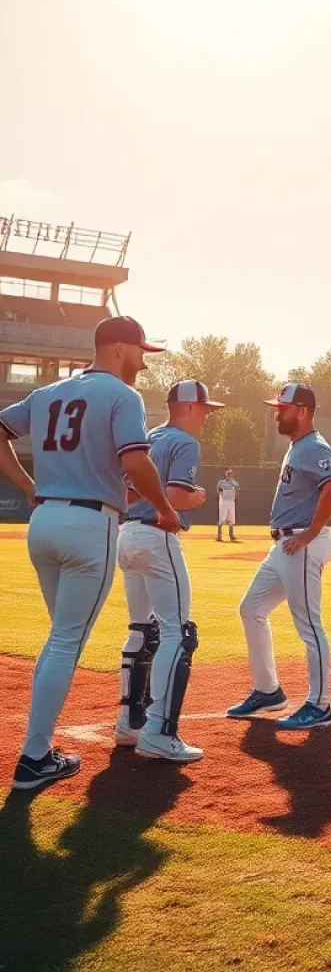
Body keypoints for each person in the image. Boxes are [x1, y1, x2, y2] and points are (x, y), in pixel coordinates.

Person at [0, 316, 180, 790]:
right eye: (140, 350)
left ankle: (38, 753)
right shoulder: (123, 396)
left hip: (44, 522)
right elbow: (136, 460)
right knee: (64, 642)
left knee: (60, 638)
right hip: (89, 524)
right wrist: (164, 509)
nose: (143, 359)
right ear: (118, 348)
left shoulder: (47, 394)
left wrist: (27, 486)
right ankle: (34, 756)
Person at [116, 379, 225, 763]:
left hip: (126, 533)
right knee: (178, 631)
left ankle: (129, 724)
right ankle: (160, 730)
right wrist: (196, 497)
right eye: (206, 409)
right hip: (158, 535)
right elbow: (178, 494)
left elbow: (126, 491)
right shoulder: (185, 442)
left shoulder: (147, 437)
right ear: (190, 407)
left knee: (140, 629)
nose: (209, 416)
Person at [226, 383, 331, 729]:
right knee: (252, 609)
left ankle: (320, 705)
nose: (277, 412)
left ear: (303, 411)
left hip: (302, 543)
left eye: (283, 407)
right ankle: (268, 691)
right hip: (284, 545)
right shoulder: (298, 447)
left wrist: (309, 534)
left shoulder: (313, 447)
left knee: (309, 625)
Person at [217, 468, 240, 542]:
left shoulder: (234, 483)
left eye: (230, 474)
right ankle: (219, 536)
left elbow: (237, 489)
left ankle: (231, 535)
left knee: (231, 519)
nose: (229, 475)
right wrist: (221, 494)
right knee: (222, 518)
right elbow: (218, 489)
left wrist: (235, 496)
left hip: (231, 502)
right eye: (228, 474)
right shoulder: (221, 482)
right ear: (226, 475)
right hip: (223, 502)